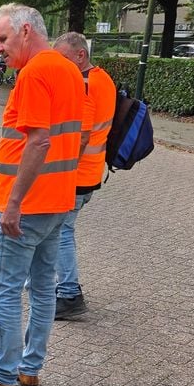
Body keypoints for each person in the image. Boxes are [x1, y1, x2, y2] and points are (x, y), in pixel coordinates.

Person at [0, 3, 84, 386]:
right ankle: (30, 369)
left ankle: (2, 379)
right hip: (59, 200)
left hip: (28, 207)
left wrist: (13, 204)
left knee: (6, 290)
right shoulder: (70, 72)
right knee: (43, 288)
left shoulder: (34, 73)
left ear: (26, 31)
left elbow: (39, 140)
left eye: (3, 39)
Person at [52, 31, 114, 320]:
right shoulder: (103, 78)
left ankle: (68, 294)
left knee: (61, 231)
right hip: (91, 171)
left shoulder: (85, 83)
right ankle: (57, 285)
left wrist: (63, 170)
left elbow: (83, 133)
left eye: (64, 58)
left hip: (77, 173)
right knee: (61, 229)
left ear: (81, 54)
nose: (61, 65)